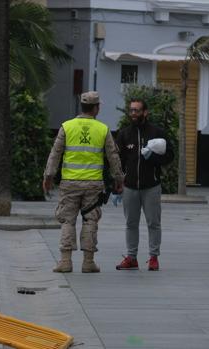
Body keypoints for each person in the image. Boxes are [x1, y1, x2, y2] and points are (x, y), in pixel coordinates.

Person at [43, 91, 124, 273]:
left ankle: (65, 261)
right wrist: (119, 179)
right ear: (96, 108)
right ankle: (88, 262)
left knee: (67, 221)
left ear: (81, 106)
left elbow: (55, 154)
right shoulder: (103, 129)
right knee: (90, 220)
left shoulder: (67, 126)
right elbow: (113, 157)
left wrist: (48, 177)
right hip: (93, 185)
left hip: (69, 183)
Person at [115, 98, 174, 271]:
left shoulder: (157, 132)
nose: (133, 113)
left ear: (145, 112)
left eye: (137, 110)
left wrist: (153, 157)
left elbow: (170, 156)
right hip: (130, 186)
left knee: (153, 223)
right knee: (130, 223)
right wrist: (117, 183)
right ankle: (131, 257)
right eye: (131, 110)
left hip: (151, 186)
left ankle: (153, 257)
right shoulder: (124, 134)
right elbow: (119, 160)